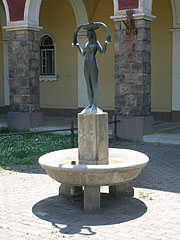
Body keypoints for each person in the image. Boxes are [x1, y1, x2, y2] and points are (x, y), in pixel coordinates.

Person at [72, 22, 111, 113]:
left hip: (93, 63)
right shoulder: (86, 44)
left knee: (94, 86)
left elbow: (102, 52)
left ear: (92, 34)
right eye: (87, 33)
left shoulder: (96, 43)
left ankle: (95, 104)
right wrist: (77, 46)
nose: (88, 35)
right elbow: (82, 54)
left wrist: (106, 43)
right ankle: (90, 103)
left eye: (89, 34)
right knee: (88, 86)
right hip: (86, 65)